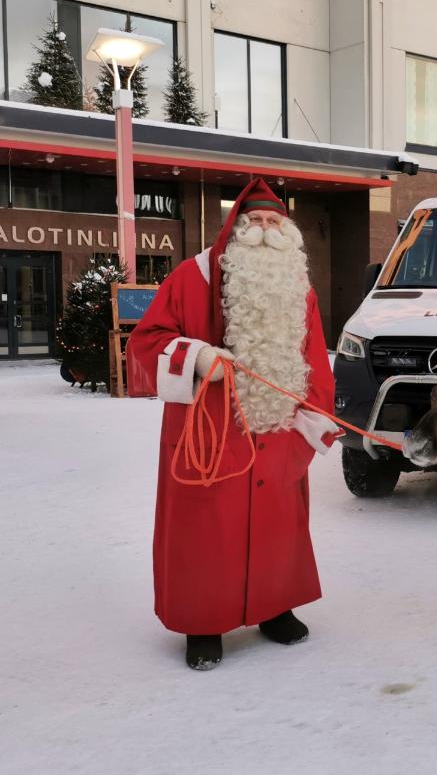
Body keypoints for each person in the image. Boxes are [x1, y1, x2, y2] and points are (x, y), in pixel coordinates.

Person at [127, 178, 341, 671]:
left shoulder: (297, 288)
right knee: (206, 530)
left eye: (275, 222)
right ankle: (203, 625)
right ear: (237, 228)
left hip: (278, 427)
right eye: (256, 222)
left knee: (277, 525)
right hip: (210, 430)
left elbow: (313, 356)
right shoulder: (192, 277)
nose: (266, 231)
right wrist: (199, 357)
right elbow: (147, 340)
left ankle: (274, 608)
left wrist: (316, 412)